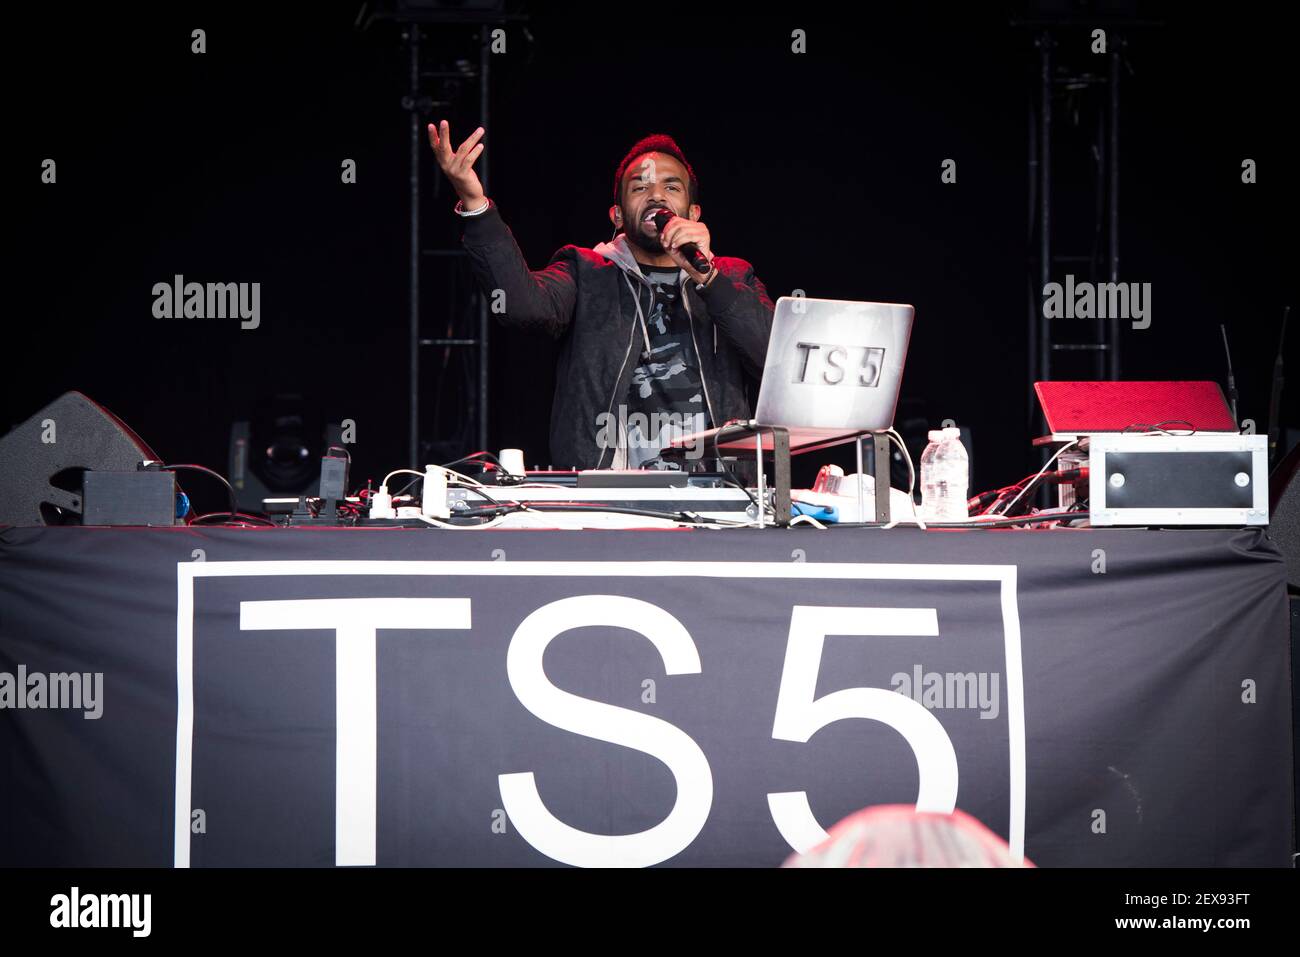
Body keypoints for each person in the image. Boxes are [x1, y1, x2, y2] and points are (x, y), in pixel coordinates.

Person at [427, 122, 775, 469]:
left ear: (694, 213)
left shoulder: (730, 276)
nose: (656, 196)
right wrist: (476, 204)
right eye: (640, 187)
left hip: (721, 494)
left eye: (671, 187)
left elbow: (773, 362)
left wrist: (708, 277)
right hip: (610, 491)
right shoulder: (586, 271)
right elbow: (519, 309)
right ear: (618, 215)